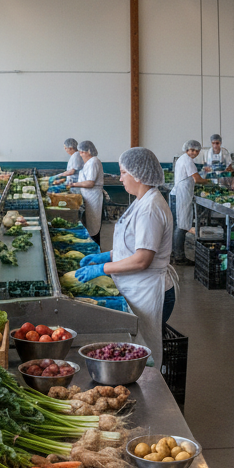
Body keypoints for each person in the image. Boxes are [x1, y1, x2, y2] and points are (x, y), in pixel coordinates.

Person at [74, 147, 174, 371]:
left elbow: (141, 260)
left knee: (144, 353)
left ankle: (153, 396)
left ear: (138, 175)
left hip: (148, 290)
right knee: (136, 349)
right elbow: (132, 247)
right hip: (136, 287)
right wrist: (105, 256)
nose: (120, 179)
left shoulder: (150, 208)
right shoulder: (141, 200)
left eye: (123, 173)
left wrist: (103, 269)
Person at [172, 140, 203, 264]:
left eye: (196, 150)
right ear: (187, 150)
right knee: (181, 226)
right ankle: (179, 257)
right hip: (180, 196)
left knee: (178, 226)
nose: (194, 152)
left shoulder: (183, 159)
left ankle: (174, 254)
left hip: (179, 195)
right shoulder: (187, 160)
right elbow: (197, 179)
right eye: (192, 150)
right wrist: (210, 181)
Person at [70, 140, 104, 243]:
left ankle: (95, 247)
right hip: (88, 196)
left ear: (89, 151)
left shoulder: (93, 162)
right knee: (89, 223)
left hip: (93, 196)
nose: (81, 155)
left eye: (82, 152)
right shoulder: (89, 162)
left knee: (93, 224)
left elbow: (90, 183)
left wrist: (73, 184)